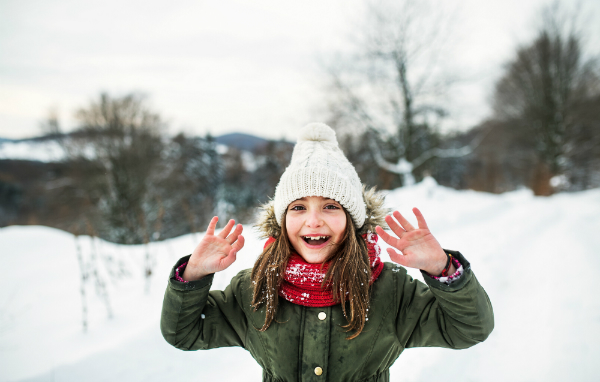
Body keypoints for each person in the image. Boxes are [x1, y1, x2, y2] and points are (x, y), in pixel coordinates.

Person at [160, 123, 494, 382]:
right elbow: (184, 332)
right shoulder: (254, 288)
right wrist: (193, 276)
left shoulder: (392, 291)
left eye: (331, 206)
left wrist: (442, 269)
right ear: (282, 219)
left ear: (352, 220)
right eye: (299, 207)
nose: (313, 221)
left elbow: (469, 328)